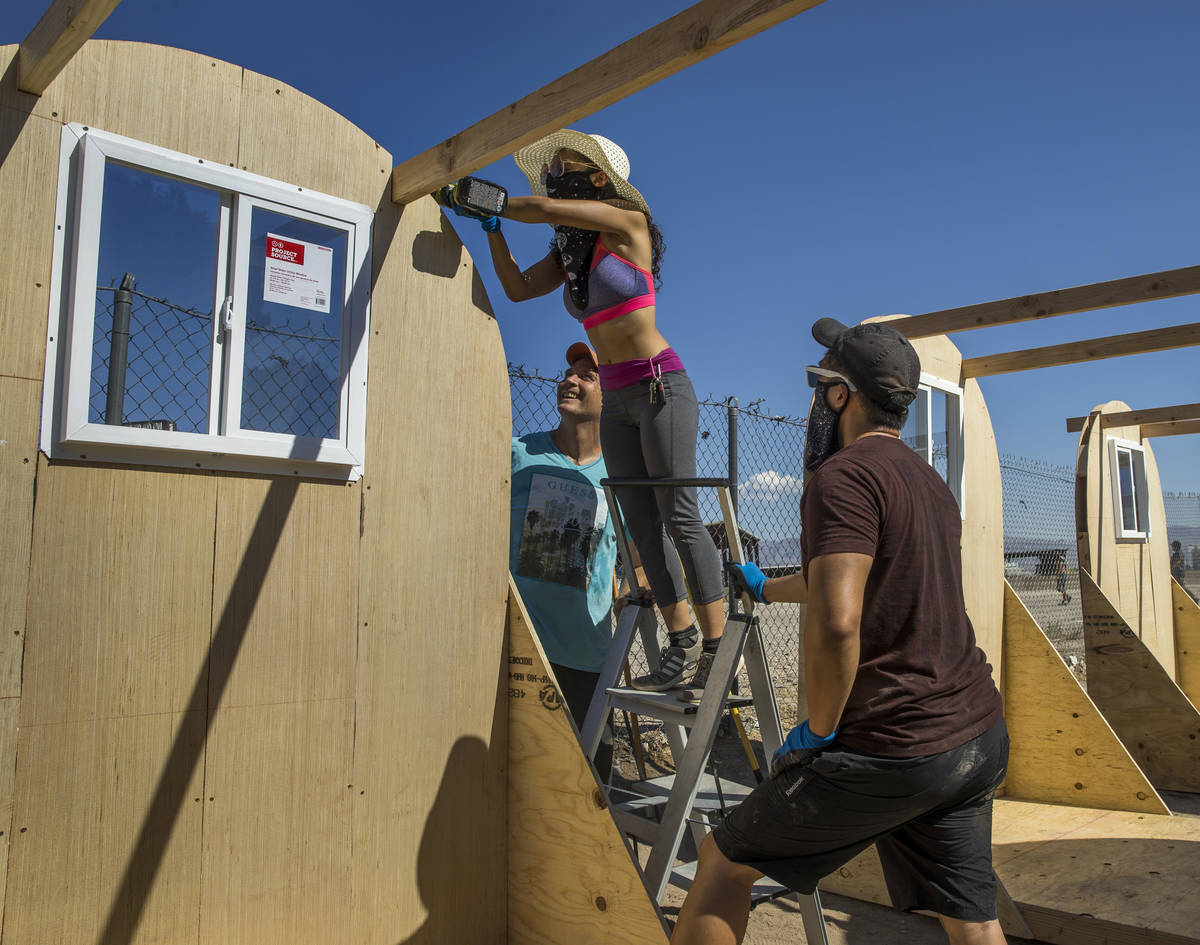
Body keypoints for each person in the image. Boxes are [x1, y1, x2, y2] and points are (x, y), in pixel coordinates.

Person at [670, 319, 1009, 945]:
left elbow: (838, 619)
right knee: (970, 916)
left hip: (896, 746)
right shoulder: (928, 482)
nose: (813, 398)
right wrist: (766, 586)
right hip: (975, 736)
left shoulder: (844, 477)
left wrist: (819, 728)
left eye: (819, 382)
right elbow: (851, 580)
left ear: (838, 395)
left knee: (723, 862)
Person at [451, 129, 726, 693]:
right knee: (640, 525)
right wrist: (493, 228)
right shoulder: (568, 251)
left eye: (565, 163)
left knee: (678, 512)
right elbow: (518, 289)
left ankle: (718, 646)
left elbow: (546, 205)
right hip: (618, 396)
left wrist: (497, 199)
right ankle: (681, 642)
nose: (553, 170)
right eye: (550, 165)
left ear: (599, 178)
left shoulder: (627, 225)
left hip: (658, 385)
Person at [510, 342, 620, 781]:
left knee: (590, 783)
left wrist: (635, 592)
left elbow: (635, 551)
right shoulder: (519, 454)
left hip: (589, 656)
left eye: (587, 376)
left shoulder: (618, 474)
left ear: (609, 396)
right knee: (523, 776)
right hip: (522, 648)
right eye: (569, 372)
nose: (570, 380)